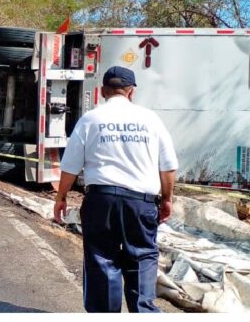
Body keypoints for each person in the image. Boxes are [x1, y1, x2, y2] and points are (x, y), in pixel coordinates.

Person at [53, 66, 178, 313]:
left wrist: (61, 197)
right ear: (131, 92)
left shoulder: (90, 119)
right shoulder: (150, 119)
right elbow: (168, 167)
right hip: (140, 203)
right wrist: (167, 199)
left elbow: (70, 166)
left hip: (102, 201)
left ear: (102, 91)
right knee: (142, 258)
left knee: (102, 260)